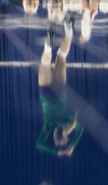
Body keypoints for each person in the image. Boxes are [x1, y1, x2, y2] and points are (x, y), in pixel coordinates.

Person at [36, 13, 82, 157]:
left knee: (61, 56)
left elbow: (81, 129)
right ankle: (48, 46)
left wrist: (72, 144)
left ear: (66, 136)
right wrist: (58, 151)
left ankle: (68, 30)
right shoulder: (48, 127)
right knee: (45, 62)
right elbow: (40, 144)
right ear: (54, 136)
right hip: (45, 94)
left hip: (59, 90)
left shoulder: (70, 123)